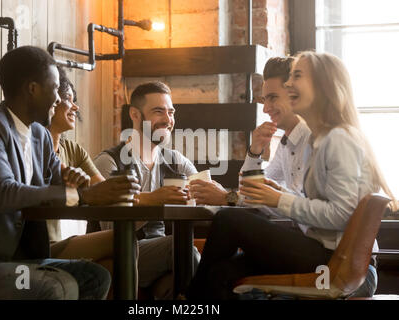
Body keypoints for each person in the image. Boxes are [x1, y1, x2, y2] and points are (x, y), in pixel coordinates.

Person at [186, 51, 397, 300]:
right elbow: (256, 192)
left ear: (322, 88)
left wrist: (274, 198)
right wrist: (256, 155)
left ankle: (188, 303)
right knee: (220, 273)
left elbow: (339, 214)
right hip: (321, 253)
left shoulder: (336, 139)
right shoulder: (301, 141)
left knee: (229, 220)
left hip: (334, 262)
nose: (290, 85)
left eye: (297, 78)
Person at [0, 46, 140, 299]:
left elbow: (58, 182)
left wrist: (77, 183)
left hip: (27, 260)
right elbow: (3, 193)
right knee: (57, 285)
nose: (60, 100)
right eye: (54, 88)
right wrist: (81, 196)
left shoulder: (39, 134)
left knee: (95, 276)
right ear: (32, 89)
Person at [94, 81, 201, 299]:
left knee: (184, 270)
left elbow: (205, 187)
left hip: (157, 253)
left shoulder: (175, 161)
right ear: (135, 114)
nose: (168, 120)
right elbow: (108, 226)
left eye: (171, 112)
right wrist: (153, 200)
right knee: (182, 249)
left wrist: (215, 192)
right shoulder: (109, 162)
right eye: (158, 111)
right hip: (119, 250)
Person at [46, 66, 137, 299]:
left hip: (60, 242)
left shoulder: (73, 150)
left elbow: (105, 192)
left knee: (120, 246)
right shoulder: (32, 147)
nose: (75, 107)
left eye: (75, 100)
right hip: (40, 246)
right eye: (68, 99)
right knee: (122, 240)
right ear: (51, 101)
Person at [189, 57, 311, 213]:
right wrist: (255, 151)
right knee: (228, 217)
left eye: (273, 98)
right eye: (264, 100)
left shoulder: (312, 139)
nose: (265, 109)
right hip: (290, 230)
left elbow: (295, 206)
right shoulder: (286, 142)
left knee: (227, 217)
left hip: (304, 233)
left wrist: (227, 198)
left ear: (295, 94)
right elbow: (251, 192)